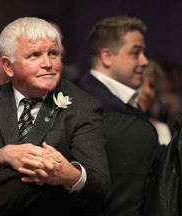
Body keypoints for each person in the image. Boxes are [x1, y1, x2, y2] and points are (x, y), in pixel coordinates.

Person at [0, 17, 111, 216]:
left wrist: (70, 176)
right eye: (35, 55)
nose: (48, 64)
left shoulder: (83, 107)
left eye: (53, 54)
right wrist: (2, 156)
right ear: (8, 66)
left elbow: (100, 189)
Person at [78, 16, 162, 215]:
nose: (145, 61)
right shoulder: (94, 105)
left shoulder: (118, 99)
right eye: (135, 53)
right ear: (107, 57)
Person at [138, 60, 172, 146]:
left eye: (152, 85)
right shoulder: (119, 123)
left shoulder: (162, 129)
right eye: (141, 83)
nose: (147, 91)